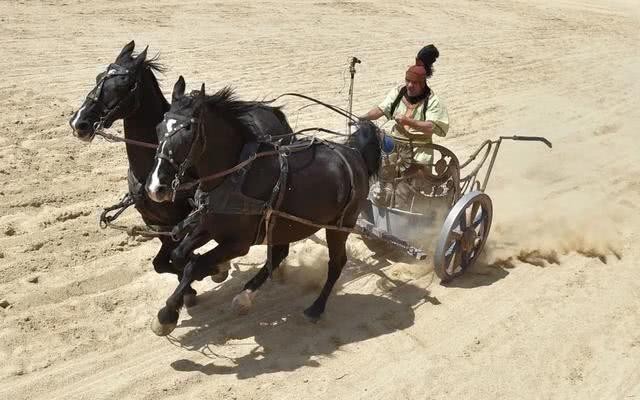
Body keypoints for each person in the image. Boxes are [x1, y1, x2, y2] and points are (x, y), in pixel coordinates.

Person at [359, 44, 450, 211]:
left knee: (404, 190)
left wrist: (409, 122)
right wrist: (362, 118)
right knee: (381, 180)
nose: (409, 85)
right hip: (394, 149)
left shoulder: (433, 101)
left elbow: (432, 127)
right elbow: (381, 109)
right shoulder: (398, 93)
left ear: (423, 83)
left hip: (419, 155)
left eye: (414, 83)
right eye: (408, 81)